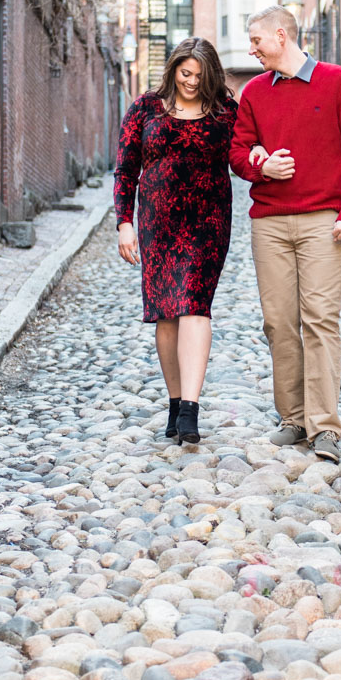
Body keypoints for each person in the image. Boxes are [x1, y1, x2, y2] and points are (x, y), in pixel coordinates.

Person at [229, 6, 341, 465]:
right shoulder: (253, 92)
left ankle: (325, 426)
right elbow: (236, 153)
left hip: (323, 221)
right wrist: (261, 166)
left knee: (320, 319)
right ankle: (293, 419)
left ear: (280, 34)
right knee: (278, 322)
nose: (251, 49)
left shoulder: (337, 82)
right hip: (269, 222)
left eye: (255, 40)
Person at [114, 38, 240, 445]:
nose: (191, 82)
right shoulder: (145, 108)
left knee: (195, 305)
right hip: (157, 222)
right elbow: (125, 170)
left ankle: (190, 409)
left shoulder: (225, 112)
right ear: (173, 70)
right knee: (166, 313)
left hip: (208, 221)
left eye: (200, 77)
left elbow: (247, 154)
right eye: (186, 74)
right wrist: (124, 223)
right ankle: (173, 403)